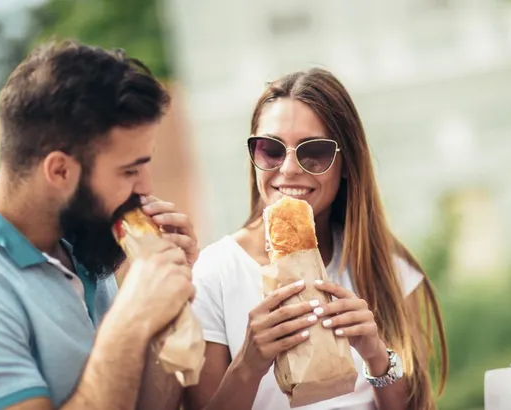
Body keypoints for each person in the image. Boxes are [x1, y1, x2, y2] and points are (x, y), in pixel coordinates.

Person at [186, 68, 448, 410]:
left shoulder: (388, 270)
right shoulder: (215, 273)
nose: (291, 168)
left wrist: (376, 355)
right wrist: (248, 364)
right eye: (271, 149)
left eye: (315, 152)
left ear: (346, 163)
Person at [0, 40, 198, 410]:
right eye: (129, 170)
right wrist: (131, 320)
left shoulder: (82, 236)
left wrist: (167, 309)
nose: (145, 188)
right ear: (59, 170)